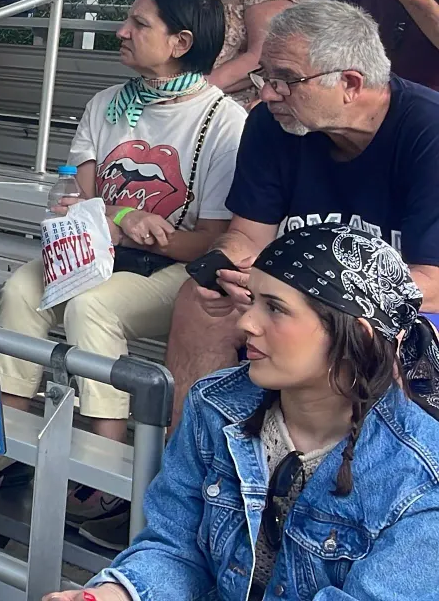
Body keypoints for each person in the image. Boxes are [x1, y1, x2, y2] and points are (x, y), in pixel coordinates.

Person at [0, 0, 245, 548]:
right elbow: (79, 200)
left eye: (139, 24)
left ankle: (105, 469)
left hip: (173, 270)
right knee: (19, 291)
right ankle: (8, 441)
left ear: (181, 41)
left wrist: (135, 228)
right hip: (98, 252)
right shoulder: (107, 104)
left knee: (93, 309)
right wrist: (122, 219)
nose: (122, 31)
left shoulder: (223, 122)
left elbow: (212, 240)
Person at [48, 224, 439, 601]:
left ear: (356, 335)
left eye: (275, 308)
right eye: (252, 301)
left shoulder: (420, 476)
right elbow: (177, 549)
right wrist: (117, 593)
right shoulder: (214, 405)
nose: (247, 322)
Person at [165, 1, 439, 420]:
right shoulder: (272, 123)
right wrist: (224, 266)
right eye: (266, 76)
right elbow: (246, 236)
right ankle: (191, 469)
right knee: (202, 303)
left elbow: (431, 280)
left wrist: (312, 294)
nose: (267, 92)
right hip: (296, 293)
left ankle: (373, 479)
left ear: (350, 82)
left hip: (406, 305)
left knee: (373, 337)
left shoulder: (428, 133)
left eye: (287, 80)